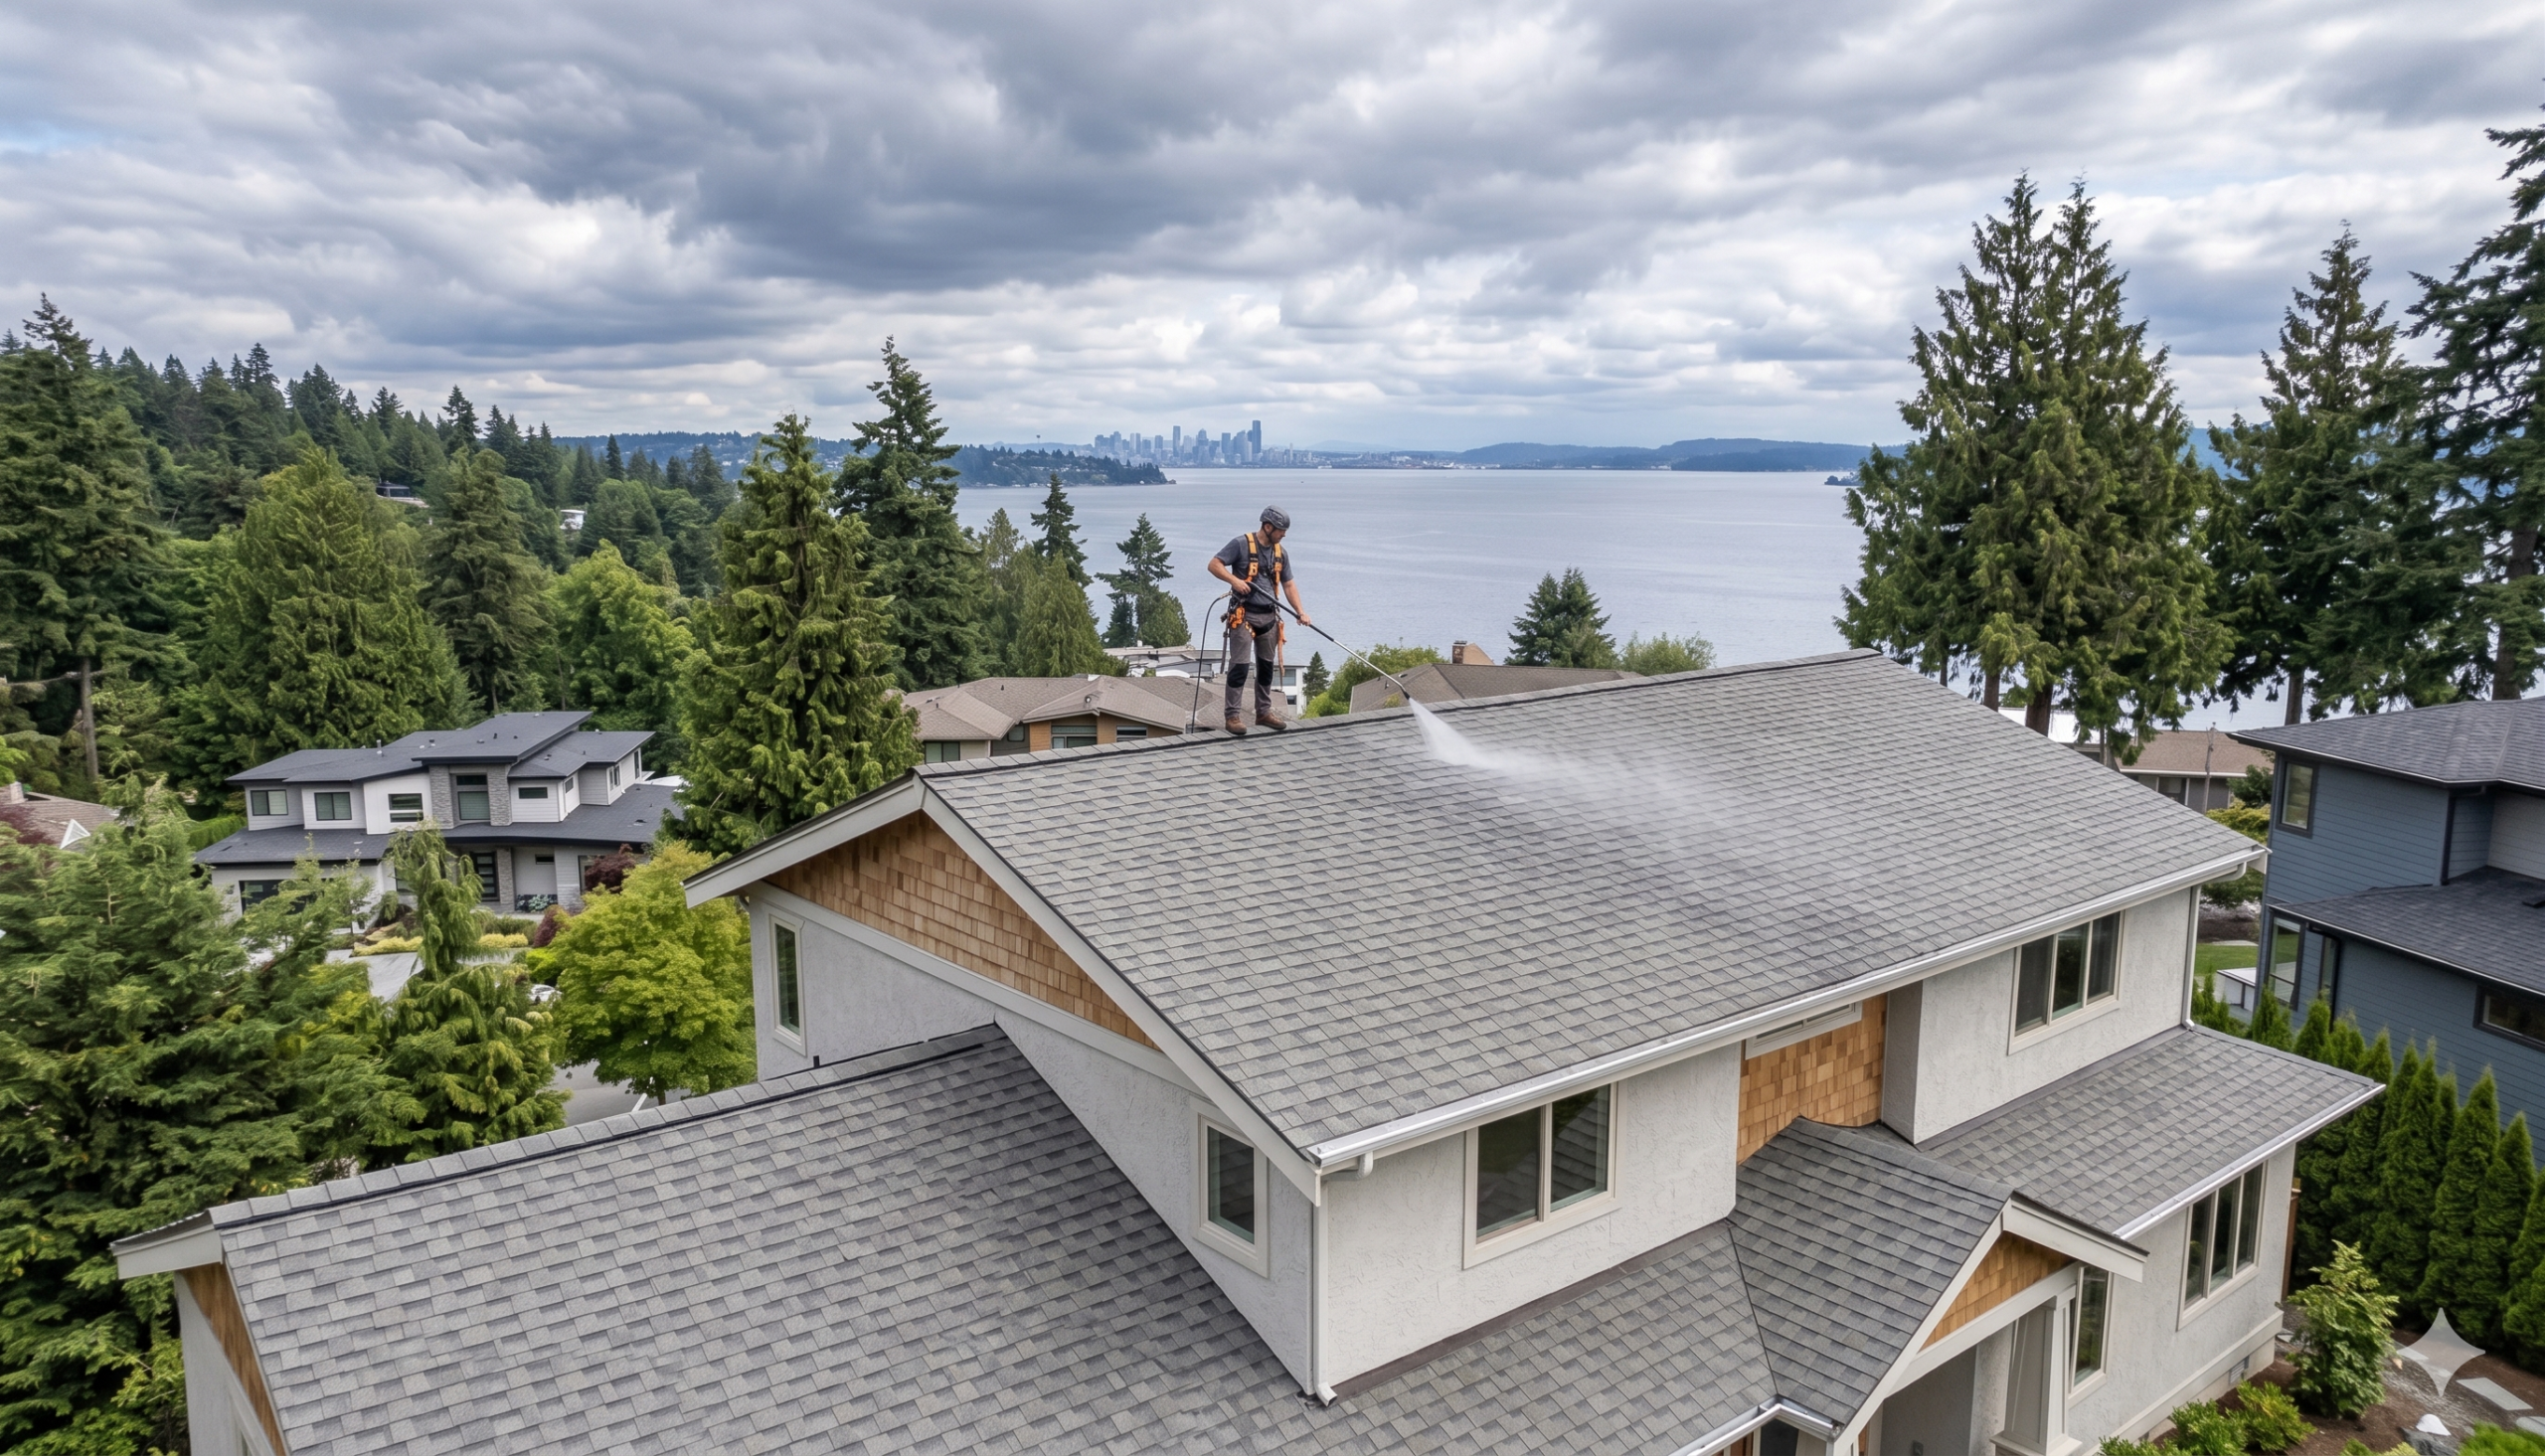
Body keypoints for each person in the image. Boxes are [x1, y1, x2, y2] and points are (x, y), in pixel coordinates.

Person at [1206, 506, 1311, 734]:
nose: (1284, 534)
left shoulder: (1281, 553)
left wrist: (1300, 612)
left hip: (1269, 616)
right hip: (1243, 614)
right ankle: (1232, 716)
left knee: (1265, 667)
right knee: (1240, 666)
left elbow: (1288, 584)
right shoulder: (1241, 544)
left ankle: (1263, 712)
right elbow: (1214, 564)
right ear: (1268, 526)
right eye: (1281, 530)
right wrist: (1235, 581)